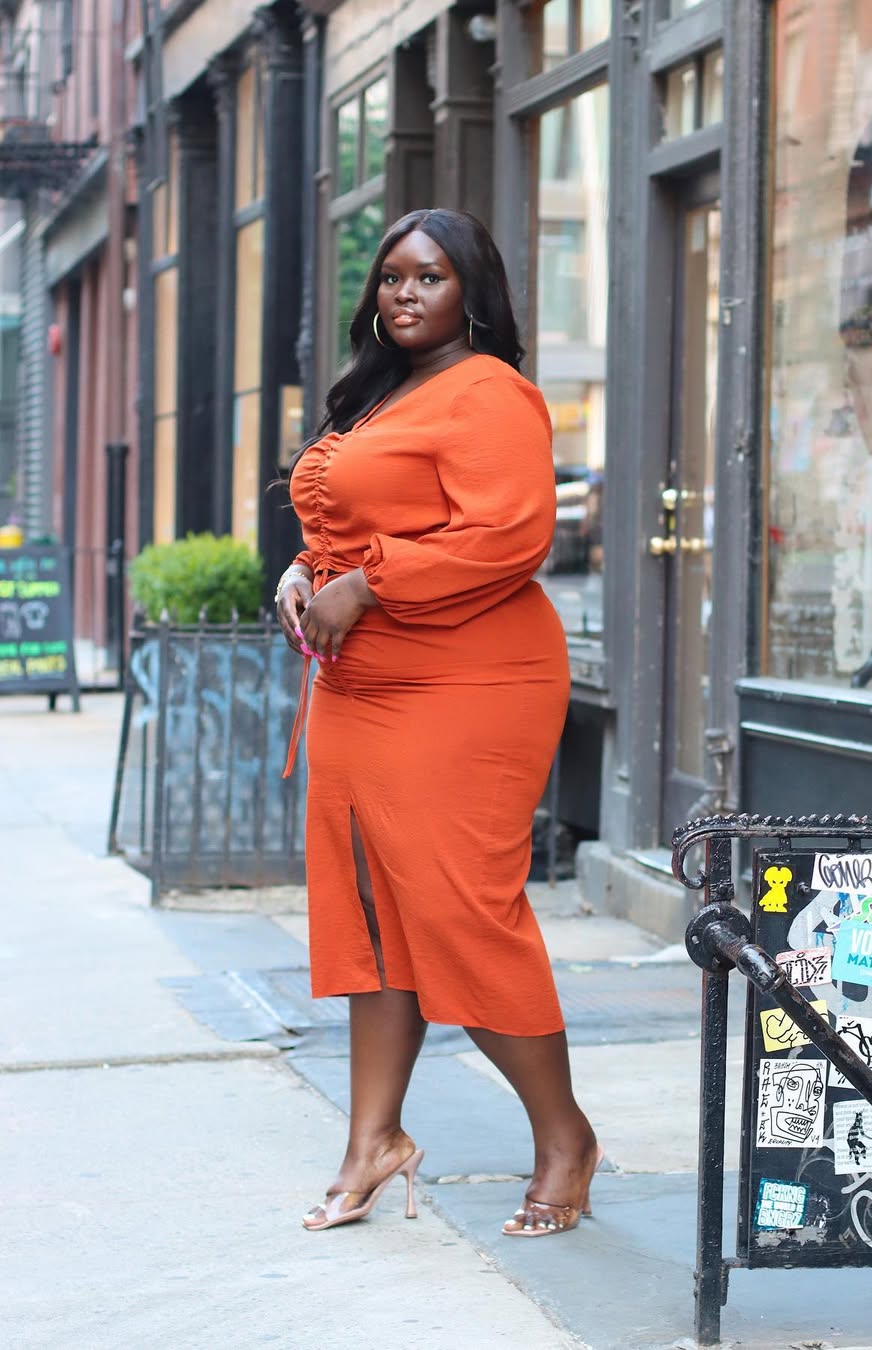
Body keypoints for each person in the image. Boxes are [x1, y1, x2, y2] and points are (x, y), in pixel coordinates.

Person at [274, 208, 601, 1238]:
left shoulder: (492, 393)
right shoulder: (381, 395)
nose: (404, 296)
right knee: (374, 911)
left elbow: (510, 535)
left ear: (473, 292)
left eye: (429, 279)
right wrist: (304, 572)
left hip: (468, 679)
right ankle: (373, 1139)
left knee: (460, 909)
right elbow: (348, 521)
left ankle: (564, 1139)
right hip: (360, 685)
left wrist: (368, 586)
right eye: (390, 279)